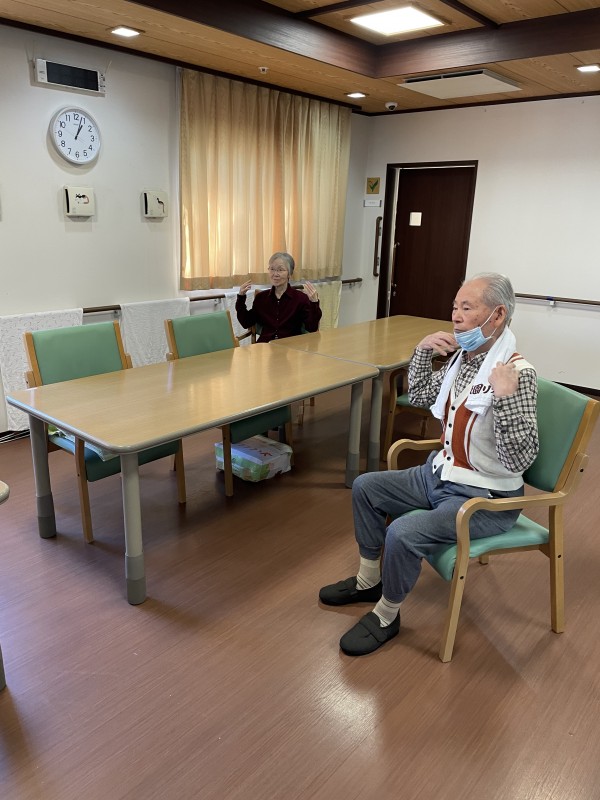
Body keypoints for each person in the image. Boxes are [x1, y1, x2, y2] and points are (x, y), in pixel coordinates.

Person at [319, 273, 539, 656]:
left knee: (402, 532)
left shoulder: (517, 375)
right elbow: (420, 395)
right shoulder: (465, 360)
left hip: (484, 497)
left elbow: (519, 459)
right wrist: (422, 350)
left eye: (467, 308)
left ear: (498, 315)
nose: (455, 316)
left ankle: (387, 614)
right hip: (441, 473)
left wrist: (504, 398)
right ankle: (369, 580)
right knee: (366, 487)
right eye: (455, 307)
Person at [236, 252, 322, 342]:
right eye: (272, 269)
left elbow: (312, 328)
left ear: (290, 274)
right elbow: (246, 322)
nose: (275, 274)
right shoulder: (261, 298)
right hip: (265, 345)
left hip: (291, 346)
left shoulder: (301, 298)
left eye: (280, 270)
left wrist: (314, 303)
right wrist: (241, 297)